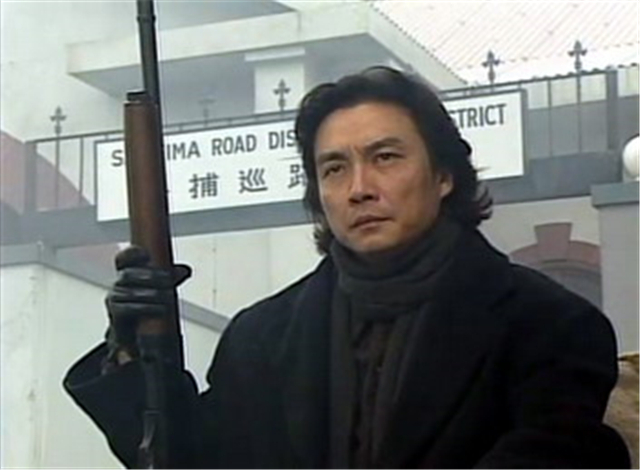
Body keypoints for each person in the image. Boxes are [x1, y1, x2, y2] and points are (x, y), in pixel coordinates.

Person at [64, 66, 630, 469]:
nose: (360, 188)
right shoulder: (260, 337)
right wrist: (135, 351)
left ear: (443, 176)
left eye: (385, 157)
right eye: (334, 168)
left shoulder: (549, 326)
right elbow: (191, 460)